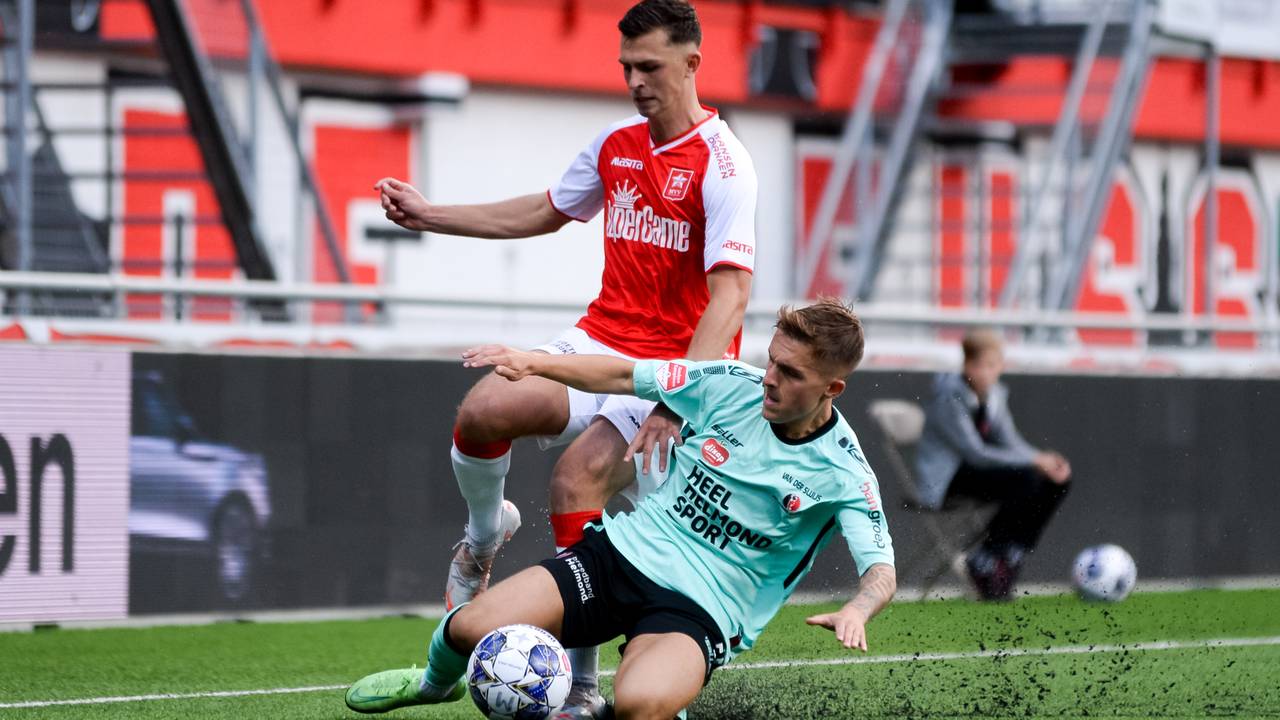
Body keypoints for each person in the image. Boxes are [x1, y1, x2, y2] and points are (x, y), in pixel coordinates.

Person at [373, 2, 756, 714]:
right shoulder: (616, 143)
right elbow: (547, 210)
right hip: (601, 337)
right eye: (626, 67)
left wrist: (677, 399)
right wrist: (432, 216)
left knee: (575, 479)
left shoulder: (726, 164)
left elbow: (730, 298)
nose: (635, 82)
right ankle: (484, 538)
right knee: (485, 410)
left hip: (670, 366)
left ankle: (580, 690)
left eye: (649, 67)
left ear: (692, 64)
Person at [345, 300, 896, 720]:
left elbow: (881, 571)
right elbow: (621, 375)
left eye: (791, 373)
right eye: (772, 361)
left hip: (700, 609)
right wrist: (534, 362)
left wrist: (858, 609)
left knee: (639, 705)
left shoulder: (844, 472)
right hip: (619, 557)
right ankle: (434, 685)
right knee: (470, 629)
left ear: (833, 388)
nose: (770, 379)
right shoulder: (732, 385)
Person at [915, 328, 1071, 600]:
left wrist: (1045, 461)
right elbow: (975, 453)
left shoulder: (995, 396)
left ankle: (1012, 552)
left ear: (1001, 366)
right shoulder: (949, 397)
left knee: (1055, 480)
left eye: (993, 365)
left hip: (979, 475)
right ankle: (986, 556)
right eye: (979, 365)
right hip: (948, 481)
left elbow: (1010, 441)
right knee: (1025, 478)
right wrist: (1035, 460)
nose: (986, 372)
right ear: (967, 365)